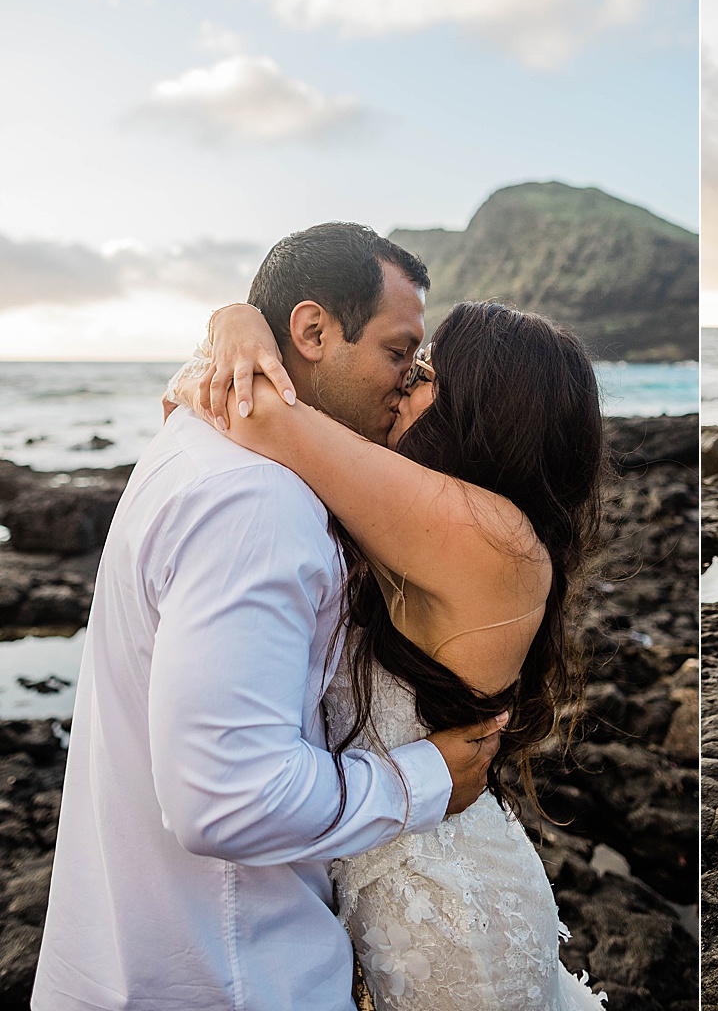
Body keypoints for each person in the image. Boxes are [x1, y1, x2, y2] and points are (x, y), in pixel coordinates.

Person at [33, 224, 510, 1011]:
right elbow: (230, 798)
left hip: (135, 957)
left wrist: (231, 324)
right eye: (399, 353)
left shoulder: (203, 438)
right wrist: (426, 779)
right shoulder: (259, 501)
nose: (409, 378)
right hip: (231, 972)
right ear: (314, 330)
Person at [167, 288, 609, 1009]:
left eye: (427, 371)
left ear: (483, 411)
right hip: (398, 887)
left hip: (455, 922)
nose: (405, 383)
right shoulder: (424, 520)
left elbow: (252, 413)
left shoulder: (495, 538)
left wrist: (235, 328)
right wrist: (234, 322)